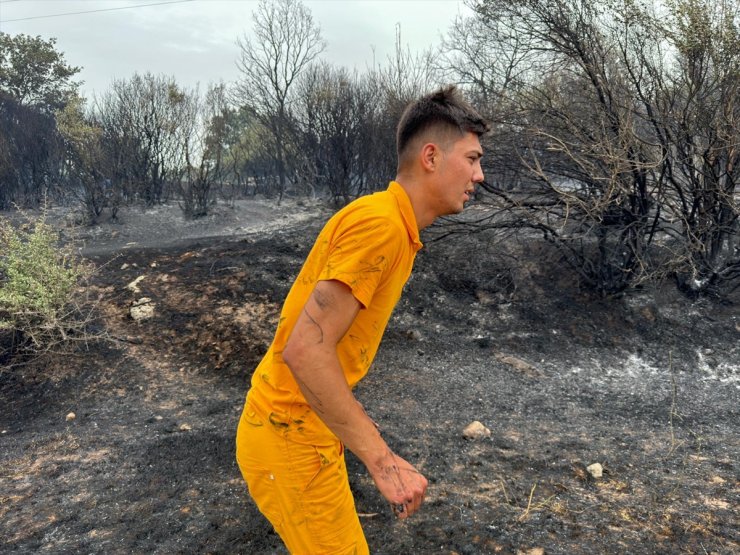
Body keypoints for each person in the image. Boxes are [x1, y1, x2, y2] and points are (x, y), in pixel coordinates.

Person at [235, 85, 489, 554]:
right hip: (289, 434)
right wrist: (383, 461)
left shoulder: (393, 224)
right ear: (431, 157)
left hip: (304, 431)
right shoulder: (381, 227)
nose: (479, 174)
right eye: (472, 159)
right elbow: (304, 349)